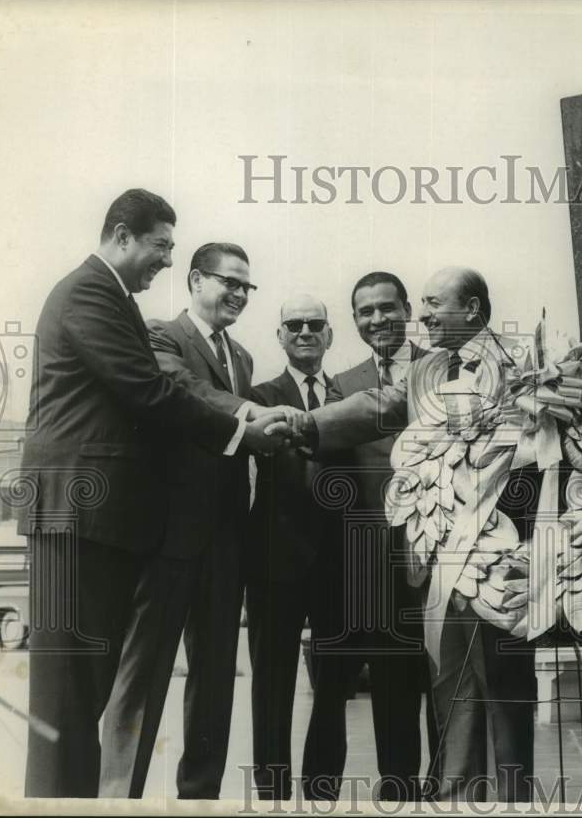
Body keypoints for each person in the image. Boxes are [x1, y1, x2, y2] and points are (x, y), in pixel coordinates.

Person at [17, 189, 288, 798]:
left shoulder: (112, 299)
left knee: (79, 700)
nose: (165, 259)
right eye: (161, 245)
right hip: (76, 517)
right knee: (65, 705)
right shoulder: (93, 293)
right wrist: (242, 430)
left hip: (99, 524)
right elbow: (149, 391)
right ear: (122, 234)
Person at [289, 267, 537, 802]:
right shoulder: (437, 368)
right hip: (438, 559)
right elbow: (384, 405)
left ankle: (512, 798)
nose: (421, 316)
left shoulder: (518, 361)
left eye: (430, 304)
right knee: (456, 687)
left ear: (471, 308)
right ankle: (457, 796)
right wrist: (305, 425)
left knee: (504, 686)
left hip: (498, 550)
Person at [99, 243, 264, 798]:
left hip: (226, 541)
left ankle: (200, 798)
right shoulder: (160, 335)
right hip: (169, 539)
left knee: (216, 681)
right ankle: (118, 799)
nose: (239, 294)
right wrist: (258, 416)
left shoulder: (243, 357)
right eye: (229, 282)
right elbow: (186, 394)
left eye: (247, 286)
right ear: (196, 280)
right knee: (142, 678)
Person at [323, 271, 434, 801]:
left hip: (441, 548)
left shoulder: (444, 370)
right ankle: (399, 790)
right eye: (365, 312)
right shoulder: (341, 385)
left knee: (445, 676)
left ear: (408, 309)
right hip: (374, 559)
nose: (377, 320)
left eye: (387, 307)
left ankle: (453, 786)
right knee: (390, 684)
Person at [244, 293, 344, 801]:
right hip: (273, 561)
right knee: (272, 681)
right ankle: (272, 792)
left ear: (330, 335)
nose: (305, 332)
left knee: (333, 685)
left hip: (339, 563)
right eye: (293, 325)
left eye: (314, 325)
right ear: (279, 336)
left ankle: (323, 790)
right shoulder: (256, 394)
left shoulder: (350, 395)